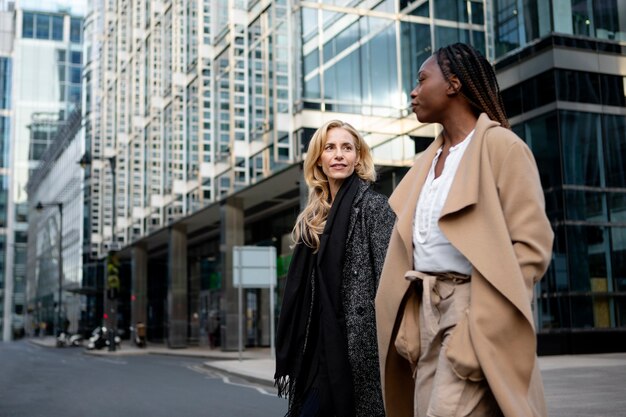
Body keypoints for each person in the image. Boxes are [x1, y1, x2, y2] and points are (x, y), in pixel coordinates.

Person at [375, 43, 554, 417]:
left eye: (423, 80)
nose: (414, 91)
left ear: (454, 84)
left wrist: (487, 320)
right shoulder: (425, 163)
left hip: (474, 304)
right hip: (424, 309)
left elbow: (531, 246)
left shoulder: (501, 147)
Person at [275, 120, 395, 417]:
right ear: (319, 159)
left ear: (358, 158)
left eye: (347, 148)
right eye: (330, 148)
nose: (339, 154)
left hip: (357, 350)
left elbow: (389, 283)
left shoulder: (374, 208)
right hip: (315, 350)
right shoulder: (311, 220)